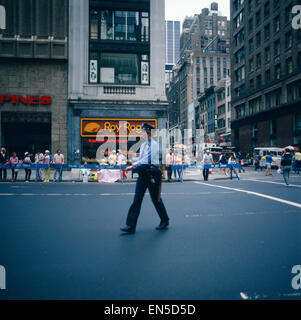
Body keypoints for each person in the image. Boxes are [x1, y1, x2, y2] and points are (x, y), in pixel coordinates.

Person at [120, 123, 169, 234]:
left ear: (148, 132)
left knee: (156, 199)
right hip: (143, 173)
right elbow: (141, 159)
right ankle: (131, 226)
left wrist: (132, 167)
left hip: (151, 173)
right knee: (137, 199)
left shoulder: (154, 145)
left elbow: (146, 160)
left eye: (143, 132)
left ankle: (165, 220)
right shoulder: (143, 145)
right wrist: (133, 165)